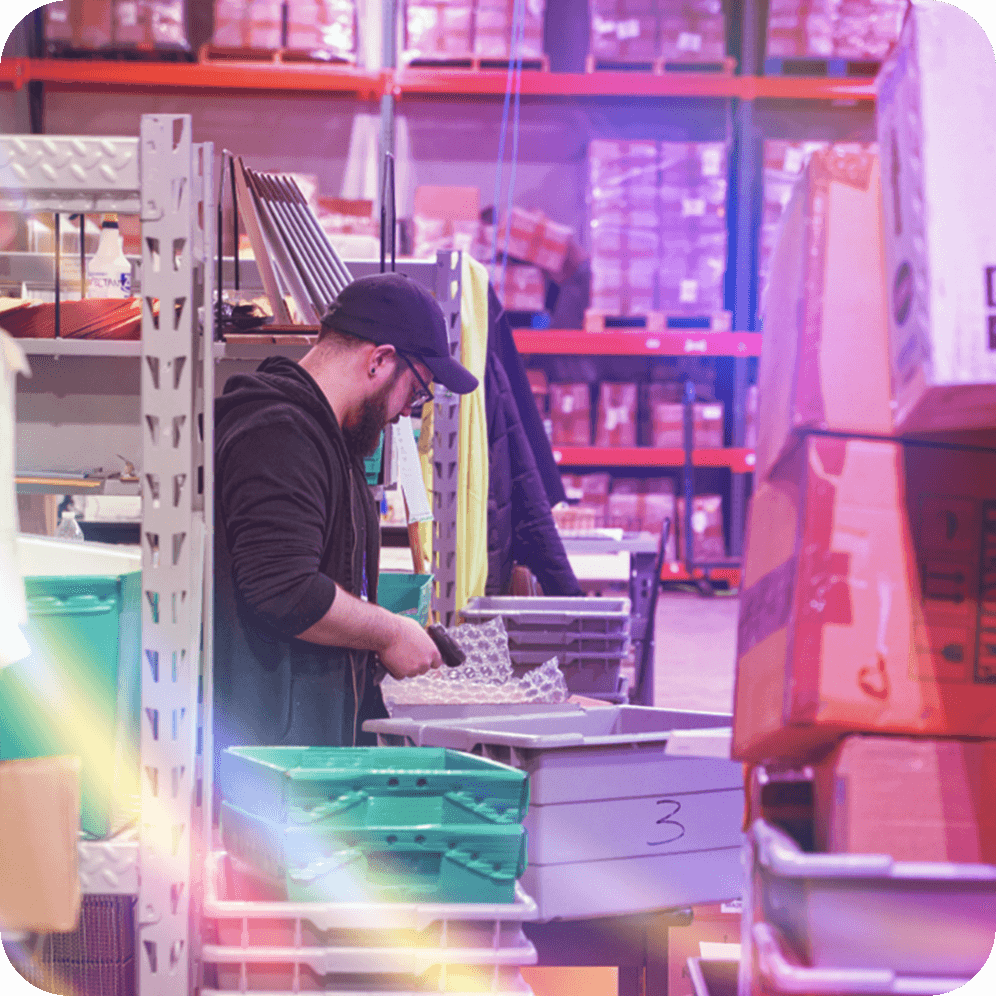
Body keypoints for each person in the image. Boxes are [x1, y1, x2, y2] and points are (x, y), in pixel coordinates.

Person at [212, 273, 480, 787]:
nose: (407, 411)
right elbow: (282, 589)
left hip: (300, 751)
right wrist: (388, 631)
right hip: (270, 761)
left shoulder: (328, 438)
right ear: (378, 360)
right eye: (416, 389)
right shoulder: (278, 433)